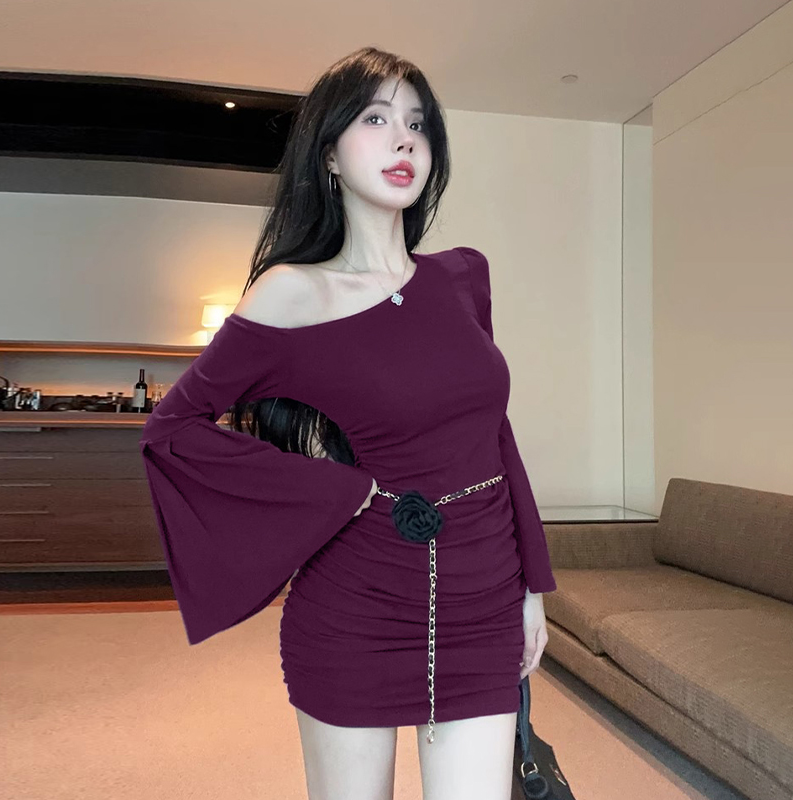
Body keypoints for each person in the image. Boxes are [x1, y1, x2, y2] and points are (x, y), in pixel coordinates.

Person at [139, 45, 556, 800]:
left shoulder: (463, 275)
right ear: (328, 153)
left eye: (418, 125)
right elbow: (172, 429)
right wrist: (338, 492)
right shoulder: (292, 293)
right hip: (358, 606)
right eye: (375, 119)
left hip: (484, 595)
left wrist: (533, 584)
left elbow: (496, 434)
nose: (404, 141)